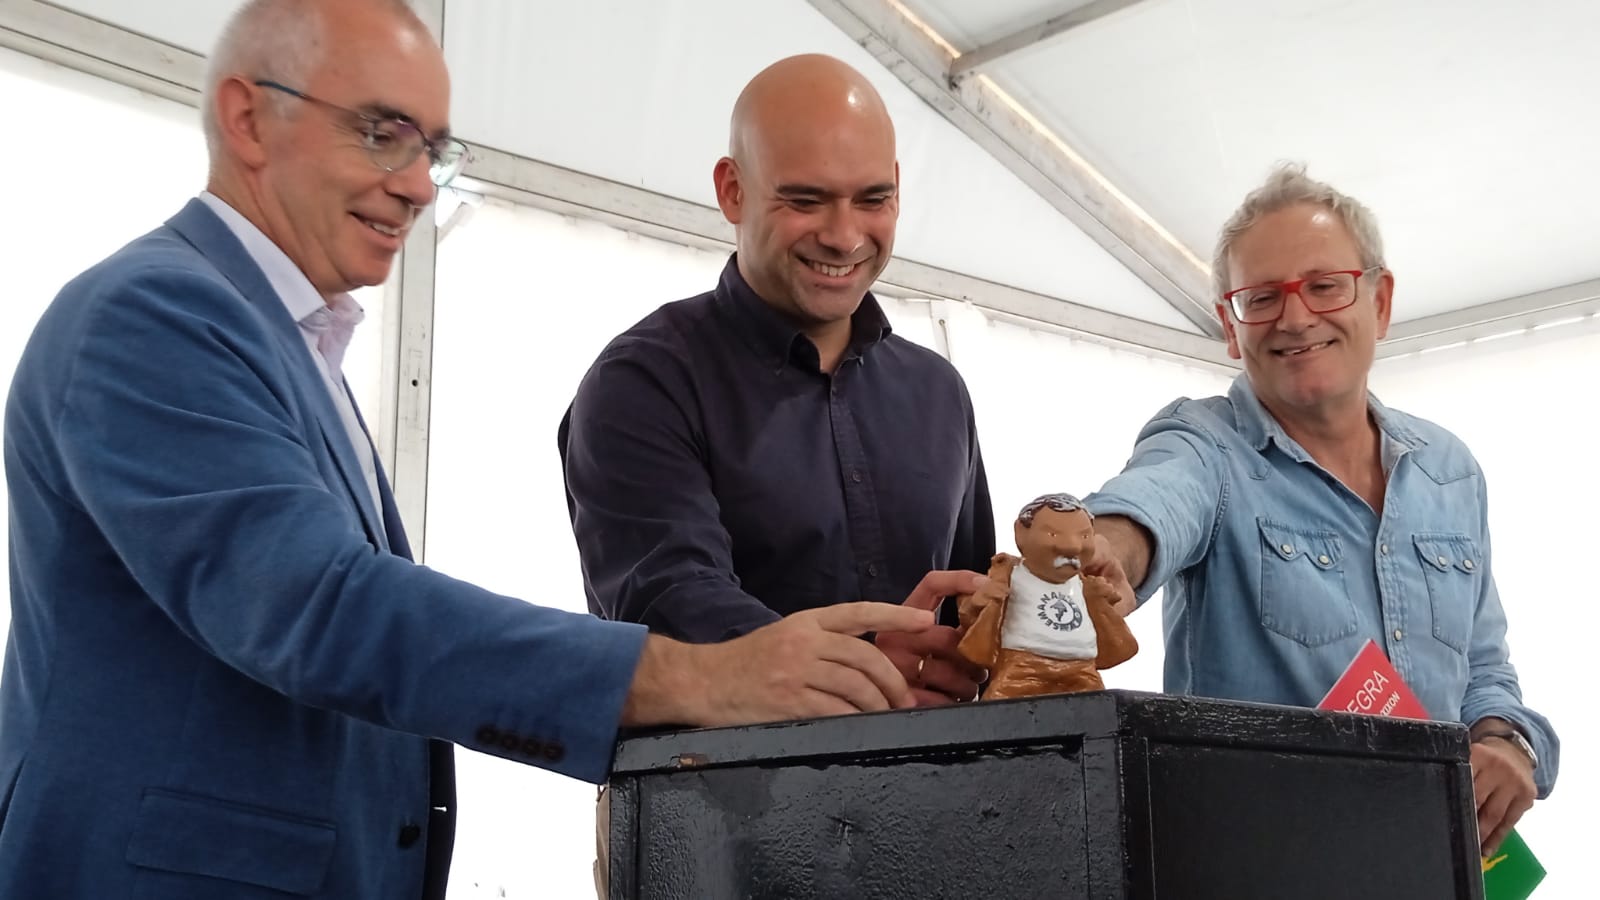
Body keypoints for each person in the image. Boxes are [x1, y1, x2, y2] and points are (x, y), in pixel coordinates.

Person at [0, 4, 970, 898]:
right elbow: (320, 607)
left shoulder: (284, 341)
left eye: (432, 147)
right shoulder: (154, 315)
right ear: (249, 120)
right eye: (381, 133)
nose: (420, 184)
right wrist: (712, 675)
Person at [1084, 164, 1558, 855]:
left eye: (1325, 287)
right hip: (1259, 872)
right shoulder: (1207, 446)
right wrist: (1102, 554)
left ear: (1380, 300)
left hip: (1435, 864)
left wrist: (1506, 742)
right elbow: (1150, 505)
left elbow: (1484, 668)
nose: (1297, 317)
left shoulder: (1450, 471)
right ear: (1229, 323)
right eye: (1262, 297)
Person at [560, 54, 996, 708]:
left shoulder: (939, 394)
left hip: (944, 795)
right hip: (724, 802)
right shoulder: (645, 382)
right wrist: (869, 670)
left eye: (873, 199)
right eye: (805, 200)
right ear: (732, 190)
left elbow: (973, 604)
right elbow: (673, 605)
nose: (846, 236)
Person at [957, 493, 1137, 698]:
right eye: (1053, 534)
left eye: (1084, 536)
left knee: (1095, 714)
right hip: (1022, 664)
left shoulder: (1085, 585)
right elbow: (969, 615)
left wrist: (1103, 598)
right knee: (1003, 714)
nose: (1072, 546)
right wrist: (979, 602)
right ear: (1021, 533)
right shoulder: (1008, 578)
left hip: (1082, 666)